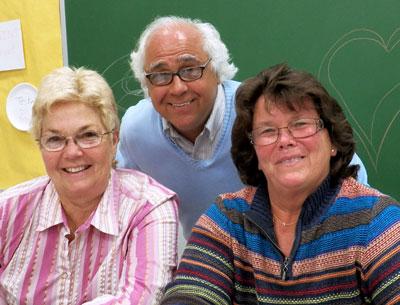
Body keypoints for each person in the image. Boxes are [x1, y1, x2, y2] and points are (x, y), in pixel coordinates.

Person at [160, 64, 400, 305]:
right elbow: (187, 298)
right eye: (268, 131)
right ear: (254, 152)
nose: (285, 140)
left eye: (301, 125)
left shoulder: (377, 220)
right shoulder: (227, 219)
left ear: (333, 141)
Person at [117, 16, 368, 241]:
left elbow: (348, 172)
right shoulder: (136, 130)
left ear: (217, 71)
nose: (178, 87)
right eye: (160, 75)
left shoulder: (260, 112)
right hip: (211, 261)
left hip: (296, 250)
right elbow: (123, 204)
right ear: (146, 84)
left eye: (191, 69)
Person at [0, 67, 178, 305]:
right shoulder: (8, 211)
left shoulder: (149, 209)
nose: (72, 152)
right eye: (54, 139)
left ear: (114, 140)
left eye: (88, 136)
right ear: (40, 147)